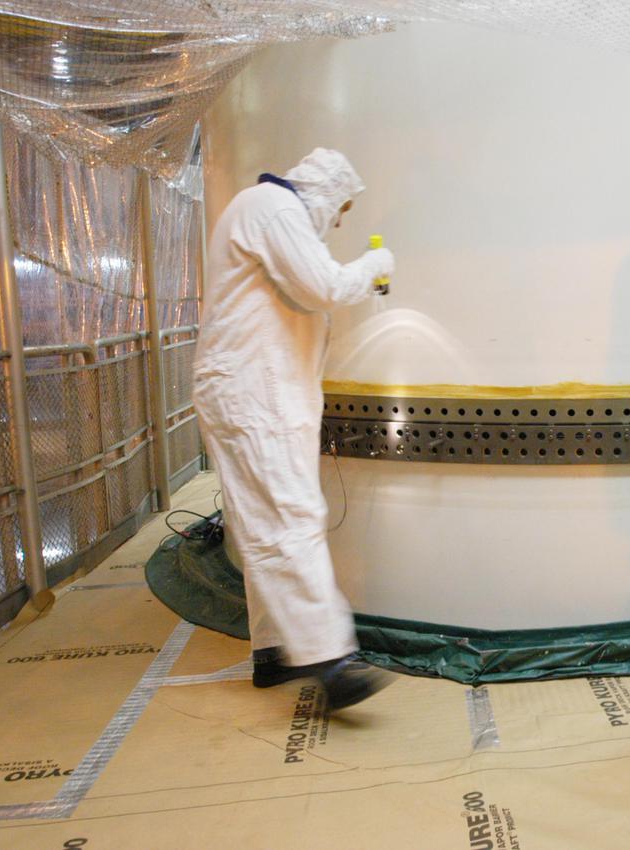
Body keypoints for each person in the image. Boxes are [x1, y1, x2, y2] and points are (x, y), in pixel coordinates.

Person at [193, 148, 397, 711]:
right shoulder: (274, 206)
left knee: (265, 526)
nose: (339, 220)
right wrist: (375, 269)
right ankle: (330, 660)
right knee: (292, 519)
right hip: (257, 397)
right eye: (342, 207)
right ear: (326, 191)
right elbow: (323, 287)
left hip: (252, 394)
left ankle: (276, 651)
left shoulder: (261, 211)